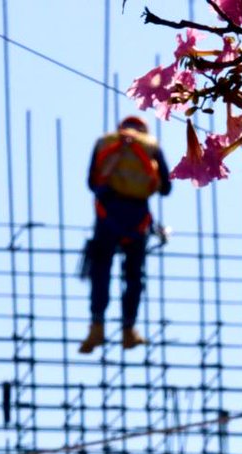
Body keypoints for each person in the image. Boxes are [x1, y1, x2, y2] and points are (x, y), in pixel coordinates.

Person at [79, 115, 172, 354]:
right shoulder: (151, 145)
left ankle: (96, 327)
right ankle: (128, 331)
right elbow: (166, 189)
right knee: (133, 277)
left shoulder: (104, 142)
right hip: (137, 216)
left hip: (107, 213)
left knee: (100, 272)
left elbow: (91, 183)